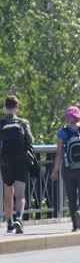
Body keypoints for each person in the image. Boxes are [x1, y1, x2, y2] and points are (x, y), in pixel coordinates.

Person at [50, 105, 80, 232]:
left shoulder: (62, 132)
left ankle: (74, 226)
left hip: (68, 169)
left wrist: (55, 171)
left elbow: (59, 153)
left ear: (67, 118)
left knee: (71, 197)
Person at [1, 96, 34, 235]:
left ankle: (9, 223)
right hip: (21, 160)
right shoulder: (23, 122)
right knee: (20, 194)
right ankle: (19, 218)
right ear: (17, 107)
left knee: (8, 192)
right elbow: (30, 140)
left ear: (5, 107)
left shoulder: (1, 123)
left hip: (5, 161)